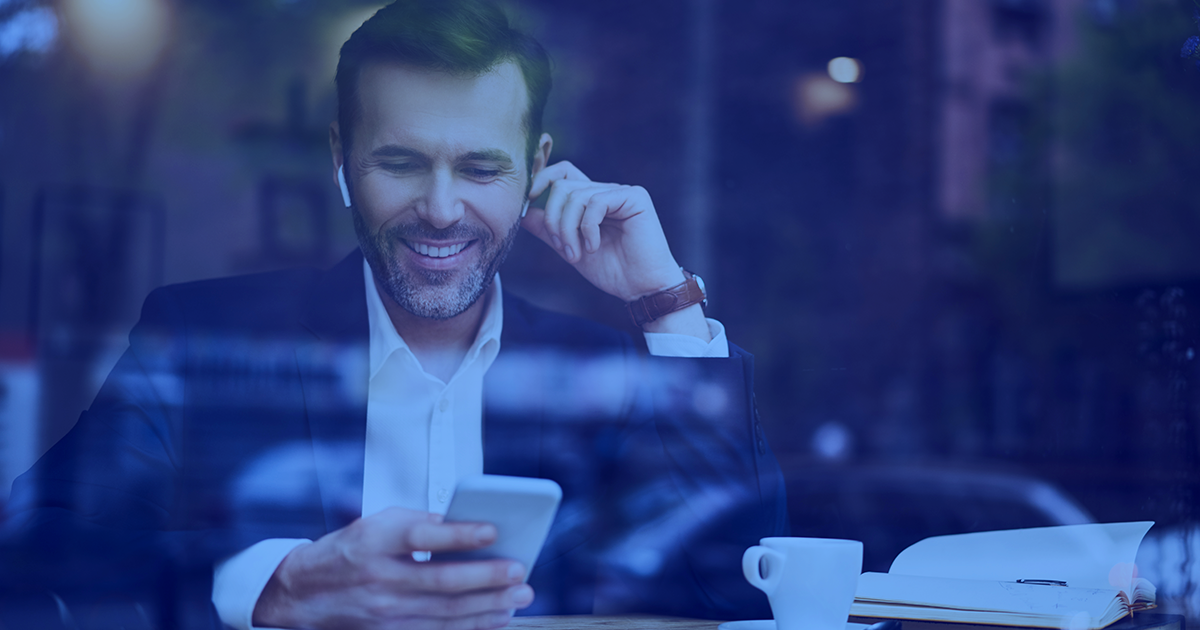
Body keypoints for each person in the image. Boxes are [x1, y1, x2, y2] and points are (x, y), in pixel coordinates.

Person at [0, 1, 788, 629]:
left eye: (482, 167)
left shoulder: (599, 374)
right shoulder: (201, 337)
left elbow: (743, 590)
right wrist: (276, 584)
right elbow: (37, 553)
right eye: (401, 162)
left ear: (536, 169)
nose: (441, 210)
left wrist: (666, 305)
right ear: (342, 156)